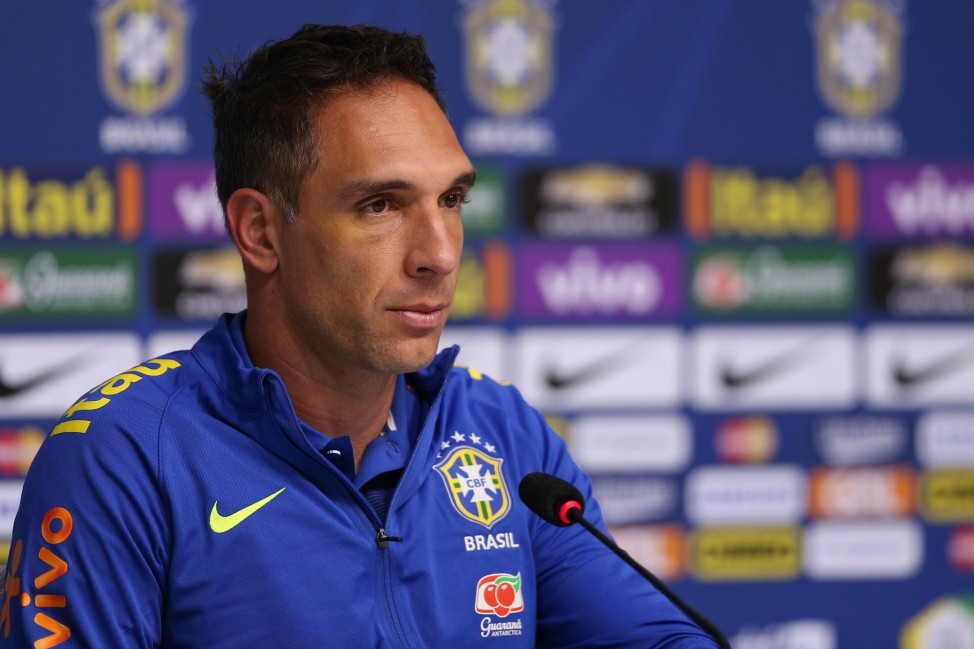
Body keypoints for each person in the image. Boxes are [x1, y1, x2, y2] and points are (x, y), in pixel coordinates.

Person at [1, 24, 722, 648]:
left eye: (452, 199)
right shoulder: (124, 457)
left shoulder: (501, 433)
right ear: (260, 231)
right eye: (381, 205)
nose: (439, 253)